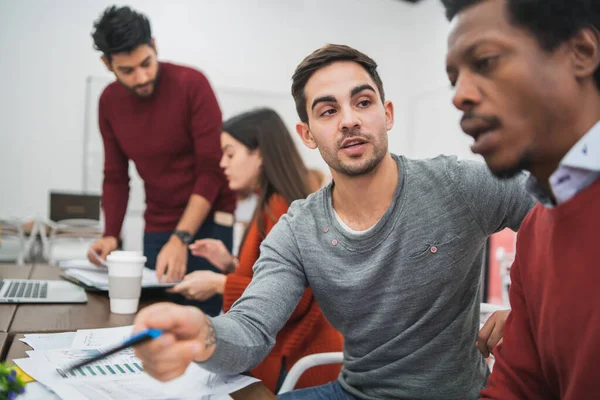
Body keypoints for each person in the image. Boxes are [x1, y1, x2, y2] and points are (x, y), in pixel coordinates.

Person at [133, 44, 535, 399]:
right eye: (328, 111)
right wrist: (202, 334)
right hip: (353, 391)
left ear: (387, 114)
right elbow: (251, 329)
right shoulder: (297, 228)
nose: (349, 120)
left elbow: (563, 220)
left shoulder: (457, 184)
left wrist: (525, 308)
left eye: (363, 102)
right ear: (307, 135)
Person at [443, 0, 600, 398]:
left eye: (487, 61)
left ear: (580, 53)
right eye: (453, 79)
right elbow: (518, 386)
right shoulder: (535, 229)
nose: (460, 96)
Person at [169, 108, 343, 392]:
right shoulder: (271, 202)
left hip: (297, 364)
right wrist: (229, 264)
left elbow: (295, 299)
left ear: (260, 153)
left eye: (230, 153)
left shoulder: (281, 206)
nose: (222, 163)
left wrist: (219, 284)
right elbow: (273, 274)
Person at [86, 6, 235, 316]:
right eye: (127, 70)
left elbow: (212, 169)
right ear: (107, 64)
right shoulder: (109, 102)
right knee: (157, 314)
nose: (141, 77)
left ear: (154, 46)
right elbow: (115, 176)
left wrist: (181, 238)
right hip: (158, 222)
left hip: (208, 219)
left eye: (146, 63)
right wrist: (110, 234)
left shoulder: (192, 84)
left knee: (203, 319)